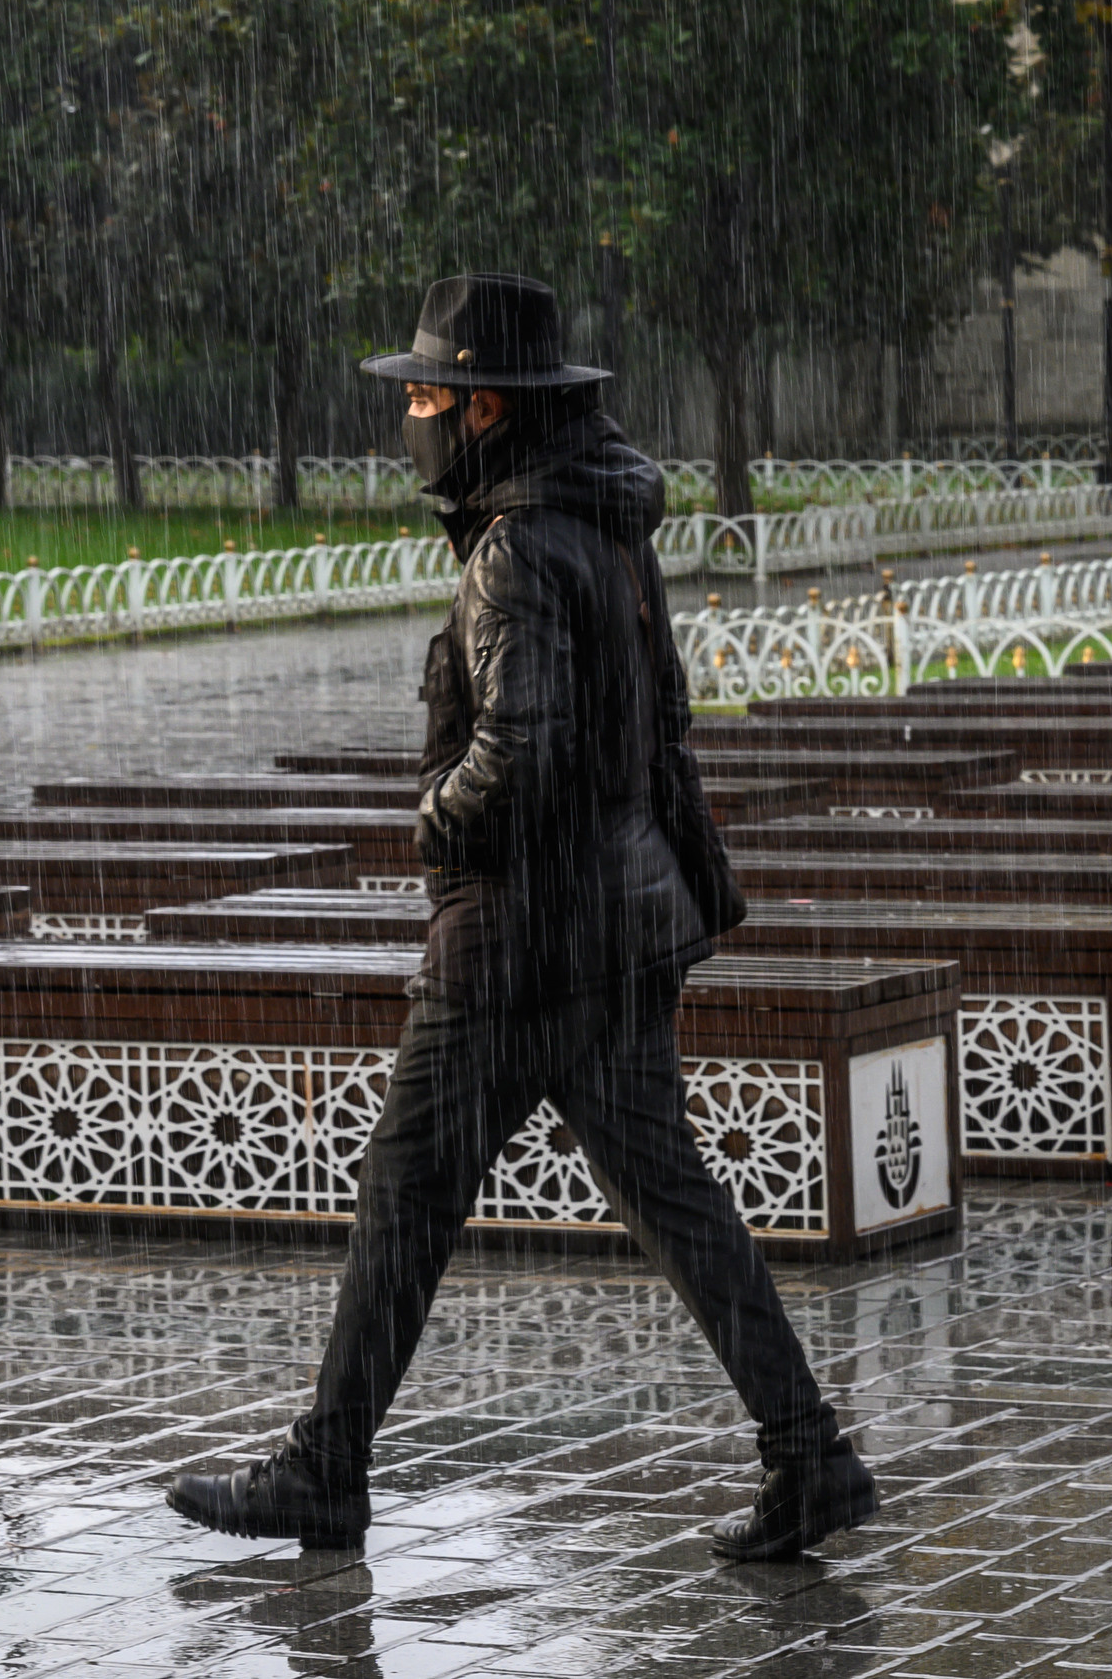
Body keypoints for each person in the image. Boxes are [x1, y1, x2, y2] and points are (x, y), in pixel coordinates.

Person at [166, 273, 877, 1563]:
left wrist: (435, 817)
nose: (413, 422)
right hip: (623, 921)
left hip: (519, 943)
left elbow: (522, 750)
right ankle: (809, 1451)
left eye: (425, 400)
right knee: (669, 1196)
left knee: (406, 1193)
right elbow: (659, 721)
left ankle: (325, 1472)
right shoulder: (604, 521)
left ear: (486, 407)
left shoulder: (512, 548)